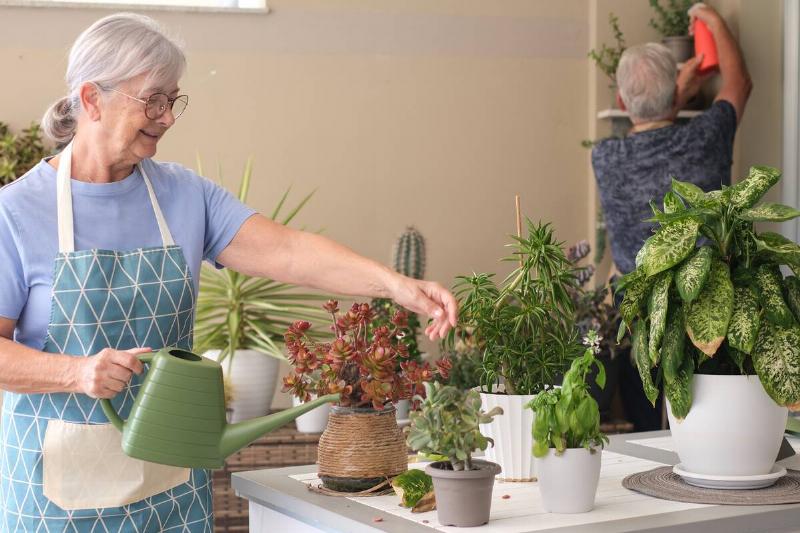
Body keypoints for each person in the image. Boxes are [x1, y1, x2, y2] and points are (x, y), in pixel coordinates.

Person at [0, 13, 457, 531]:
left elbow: (288, 252)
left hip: (169, 486)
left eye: (172, 100)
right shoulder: (15, 214)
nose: (167, 116)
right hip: (55, 498)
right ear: (91, 99)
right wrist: (76, 372)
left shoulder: (183, 194)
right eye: (151, 99)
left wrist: (395, 285)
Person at [591, 3, 751, 431]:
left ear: (622, 100)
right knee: (704, 422)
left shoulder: (605, 157)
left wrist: (671, 92)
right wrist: (713, 21)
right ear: (678, 98)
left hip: (637, 312)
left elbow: (649, 119)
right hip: (707, 307)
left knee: (648, 428)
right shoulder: (706, 138)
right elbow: (739, 83)